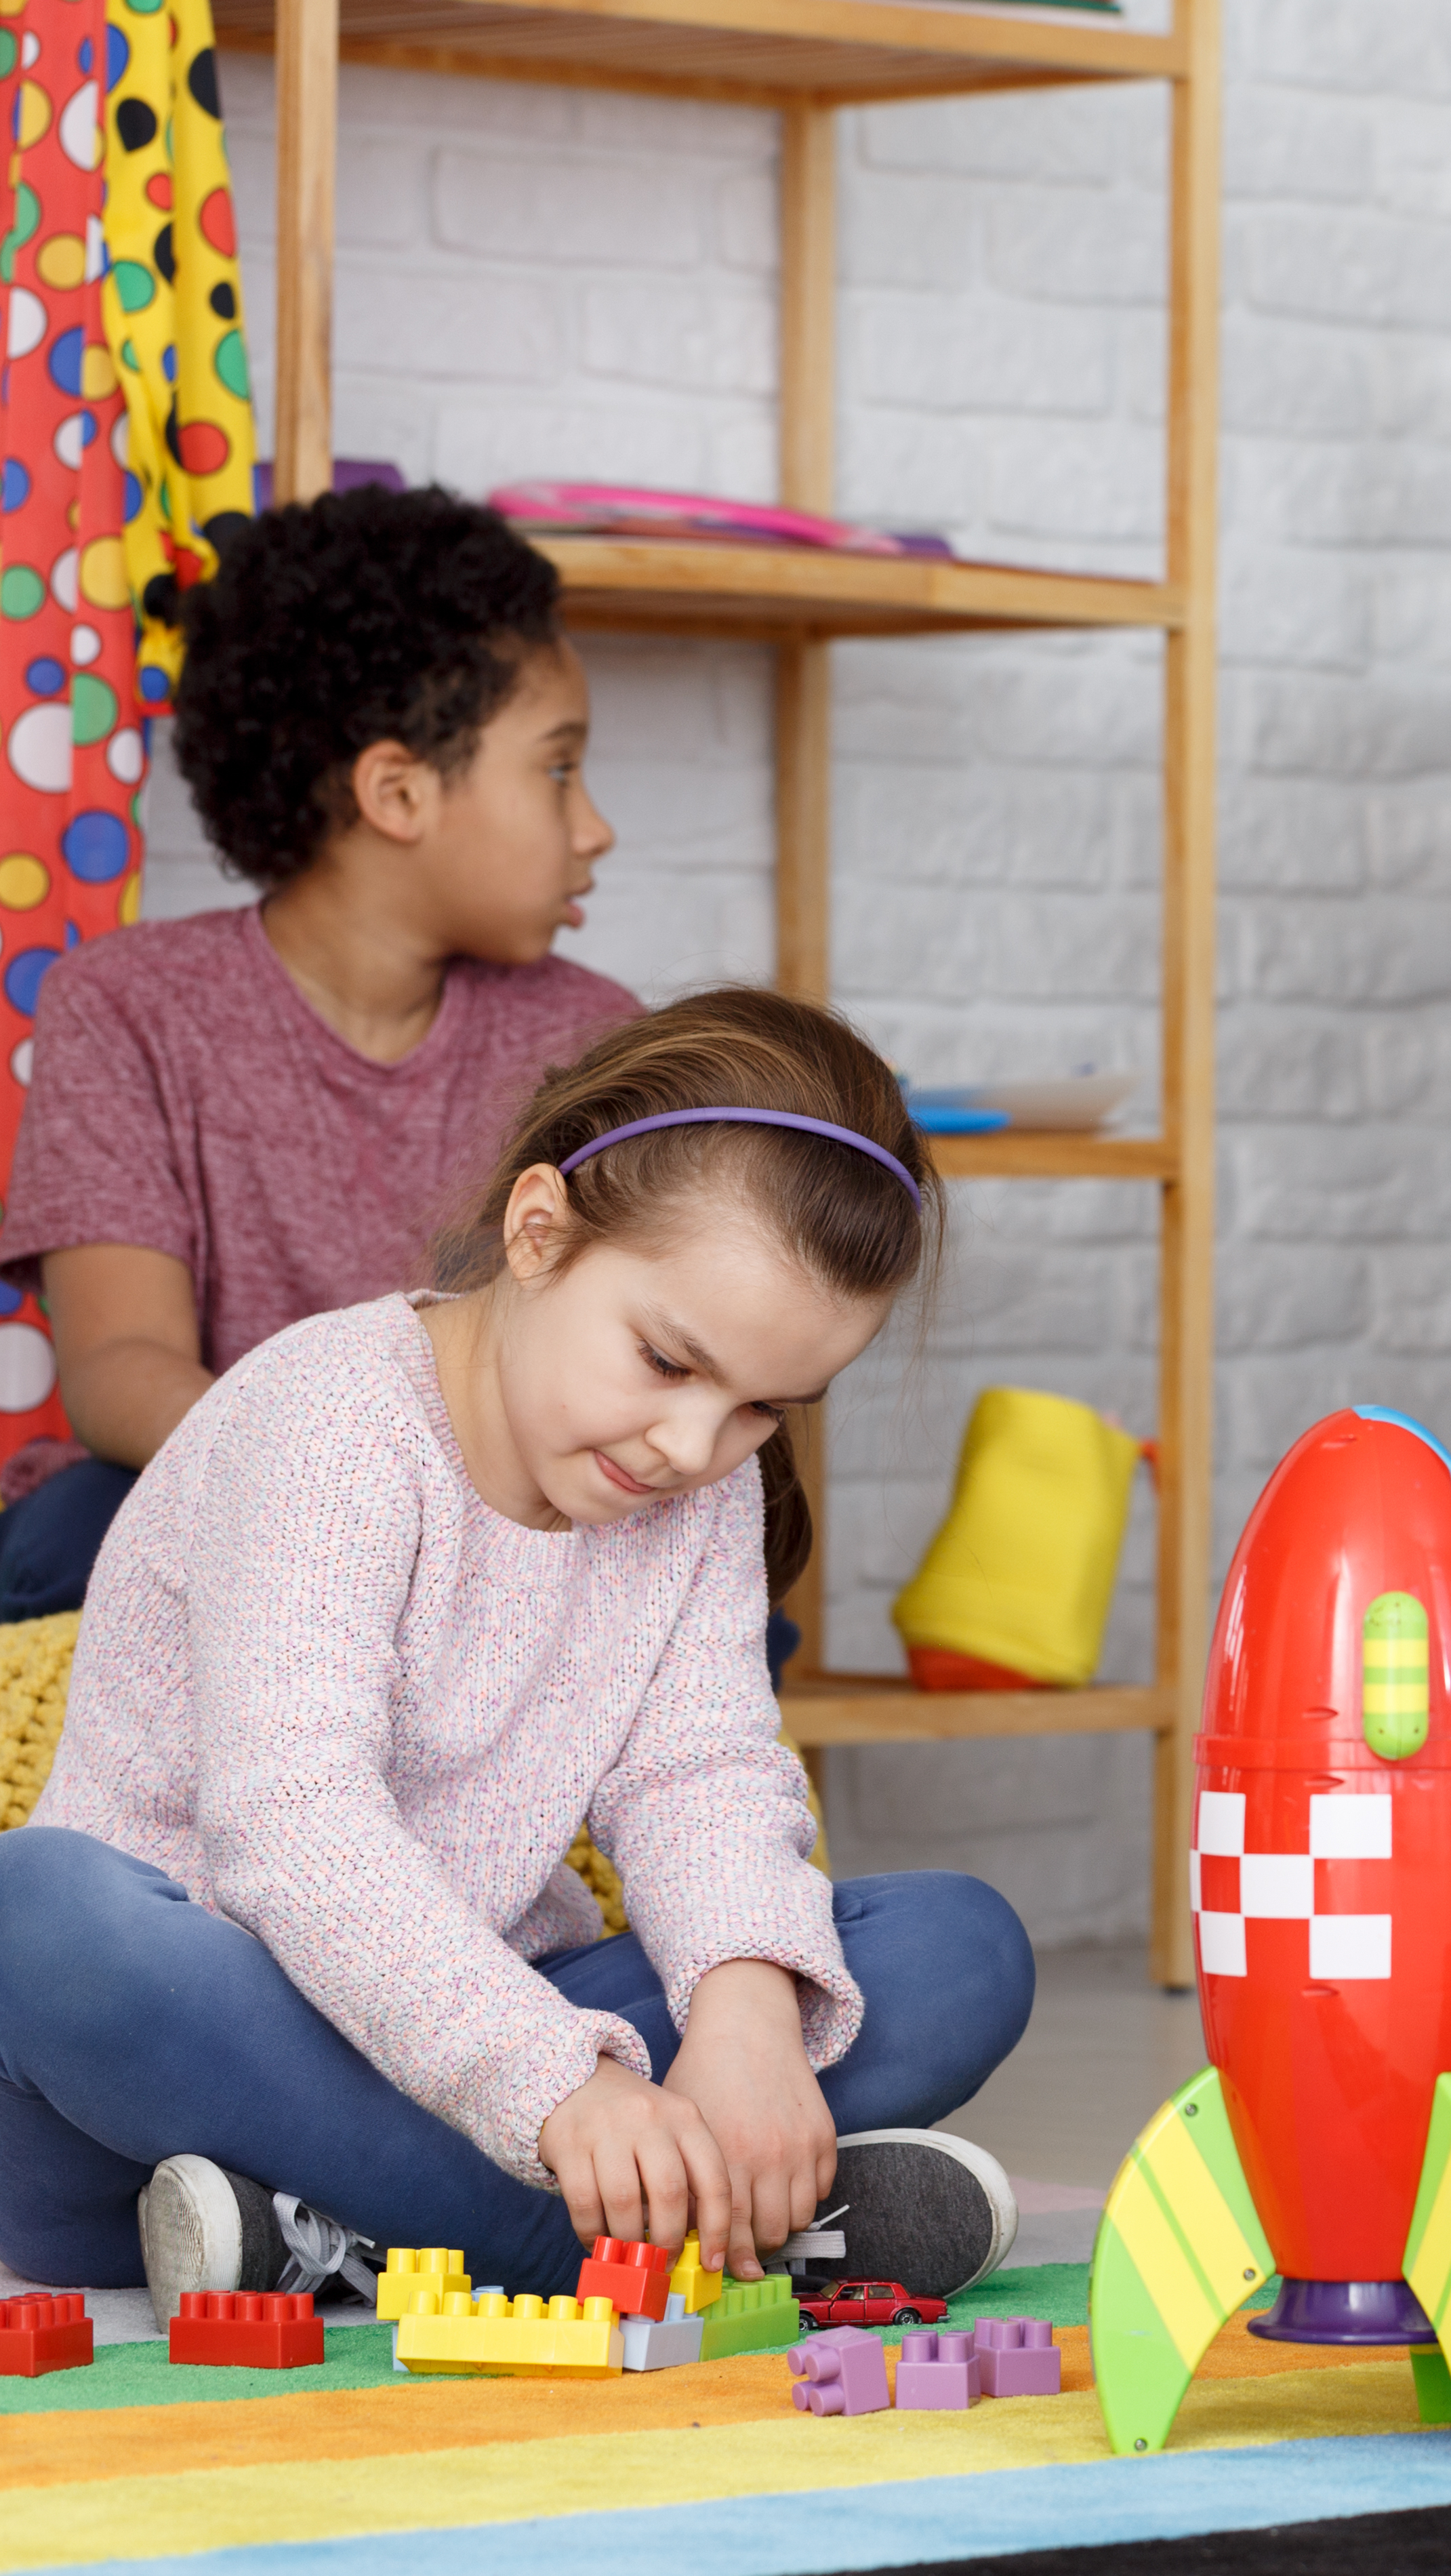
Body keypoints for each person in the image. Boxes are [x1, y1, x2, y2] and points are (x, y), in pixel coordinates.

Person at [0, 989, 1036, 2308]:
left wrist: (745, 2014)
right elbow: (289, 1827)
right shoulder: (332, 1420)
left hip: (488, 2010)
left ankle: (336, 2230)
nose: (691, 1446)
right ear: (537, 1230)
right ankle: (593, 2237)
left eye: (762, 1408)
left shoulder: (695, 1486)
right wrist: (556, 2088)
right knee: (37, 1911)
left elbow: (699, 1769)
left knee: (959, 1947)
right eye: (666, 1359)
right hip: (195, 2048)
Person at [0, 486, 637, 1620]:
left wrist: (452, 1515)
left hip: (495, 1516)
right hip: (216, 1486)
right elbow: (119, 1363)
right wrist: (341, 1492)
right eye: (556, 770)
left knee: (704, 1587)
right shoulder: (127, 1006)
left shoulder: (589, 1039)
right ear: (396, 790)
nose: (595, 827)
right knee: (61, 1545)